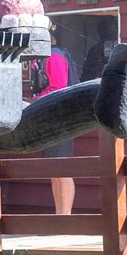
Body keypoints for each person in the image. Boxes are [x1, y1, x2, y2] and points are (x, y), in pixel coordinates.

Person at [31, 28, 79, 215]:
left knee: (63, 169)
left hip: (62, 117)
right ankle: (59, 216)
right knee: (53, 170)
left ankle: (64, 218)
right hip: (49, 119)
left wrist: (34, 101)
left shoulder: (55, 56)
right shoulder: (41, 57)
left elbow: (58, 89)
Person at [81, 15, 117, 81]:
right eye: (105, 28)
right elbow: (86, 73)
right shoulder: (95, 50)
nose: (110, 31)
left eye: (112, 26)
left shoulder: (119, 47)